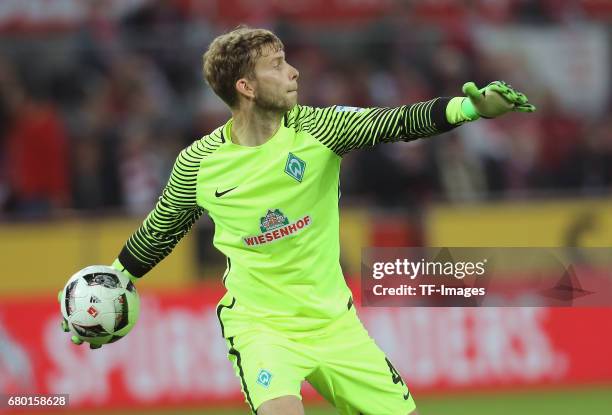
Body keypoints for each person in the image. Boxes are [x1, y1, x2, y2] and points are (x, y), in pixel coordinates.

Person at [61, 26, 535, 415]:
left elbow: (395, 123)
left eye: (287, 60)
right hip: (261, 329)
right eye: (276, 65)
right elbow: (160, 231)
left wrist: (470, 108)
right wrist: (111, 288)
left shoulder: (319, 128)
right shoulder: (199, 164)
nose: (293, 72)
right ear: (244, 87)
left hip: (336, 325)